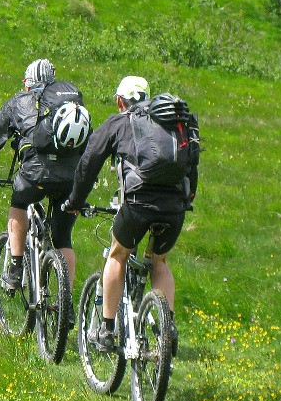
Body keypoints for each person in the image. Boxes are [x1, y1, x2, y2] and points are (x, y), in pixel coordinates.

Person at [64, 75, 199, 353]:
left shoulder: (119, 122)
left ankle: (108, 328)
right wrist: (187, 199)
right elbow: (191, 167)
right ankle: (166, 328)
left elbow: (89, 161)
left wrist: (75, 200)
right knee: (159, 262)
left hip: (138, 204)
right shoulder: (174, 126)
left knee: (118, 254)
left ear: (119, 101)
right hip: (174, 208)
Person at [0, 59, 87, 320]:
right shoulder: (69, 105)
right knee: (63, 239)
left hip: (34, 176)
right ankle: (66, 303)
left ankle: (15, 266)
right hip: (71, 180)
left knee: (19, 204)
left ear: (27, 83)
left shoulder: (17, 102)